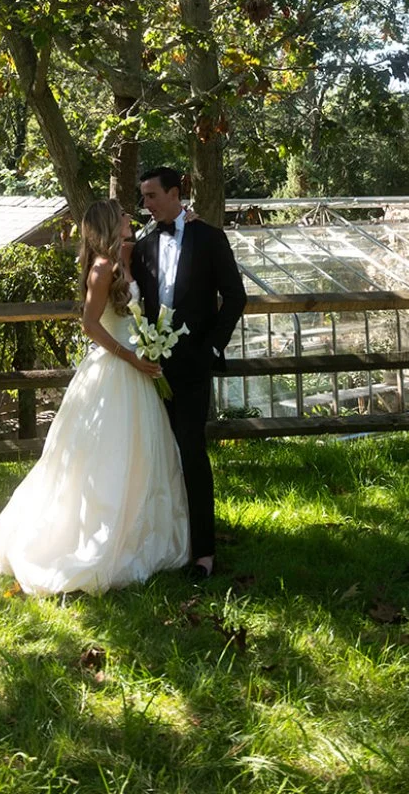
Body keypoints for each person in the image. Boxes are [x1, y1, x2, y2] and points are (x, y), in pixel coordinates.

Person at [0, 197, 190, 595]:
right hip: (114, 370)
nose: (131, 216)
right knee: (104, 457)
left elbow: (158, 235)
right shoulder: (101, 268)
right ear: (112, 223)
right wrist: (131, 356)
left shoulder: (123, 257)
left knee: (144, 453)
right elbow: (91, 325)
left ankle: (141, 531)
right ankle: (91, 539)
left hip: (138, 368)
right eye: (125, 213)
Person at [133, 166, 248, 583]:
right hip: (147, 371)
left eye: (151, 196)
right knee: (153, 456)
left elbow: (235, 297)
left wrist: (212, 349)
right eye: (143, 197)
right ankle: (161, 542)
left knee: (192, 453)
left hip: (193, 368)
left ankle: (203, 552)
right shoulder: (142, 245)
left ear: (174, 193)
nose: (145, 204)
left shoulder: (210, 238)